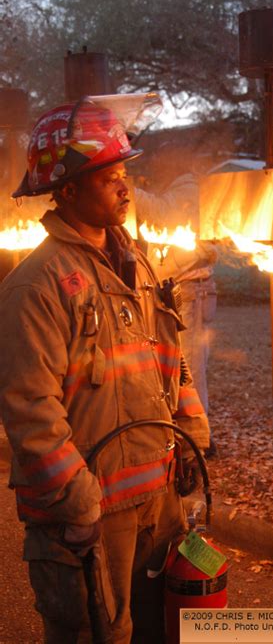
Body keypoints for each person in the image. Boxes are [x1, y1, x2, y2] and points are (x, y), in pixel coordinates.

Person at [0, 97, 210, 643]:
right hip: (93, 512)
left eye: (124, 173)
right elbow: (30, 409)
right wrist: (78, 501)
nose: (124, 187)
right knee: (98, 634)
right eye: (108, 177)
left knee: (159, 629)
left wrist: (190, 436)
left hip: (156, 498)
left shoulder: (135, 263)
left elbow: (169, 356)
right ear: (66, 190)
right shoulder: (36, 285)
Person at [136, 174, 219, 458]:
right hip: (172, 289)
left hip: (191, 291)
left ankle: (199, 440)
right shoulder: (171, 188)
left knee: (190, 368)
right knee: (176, 365)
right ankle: (187, 433)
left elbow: (162, 212)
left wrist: (122, 186)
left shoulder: (187, 188)